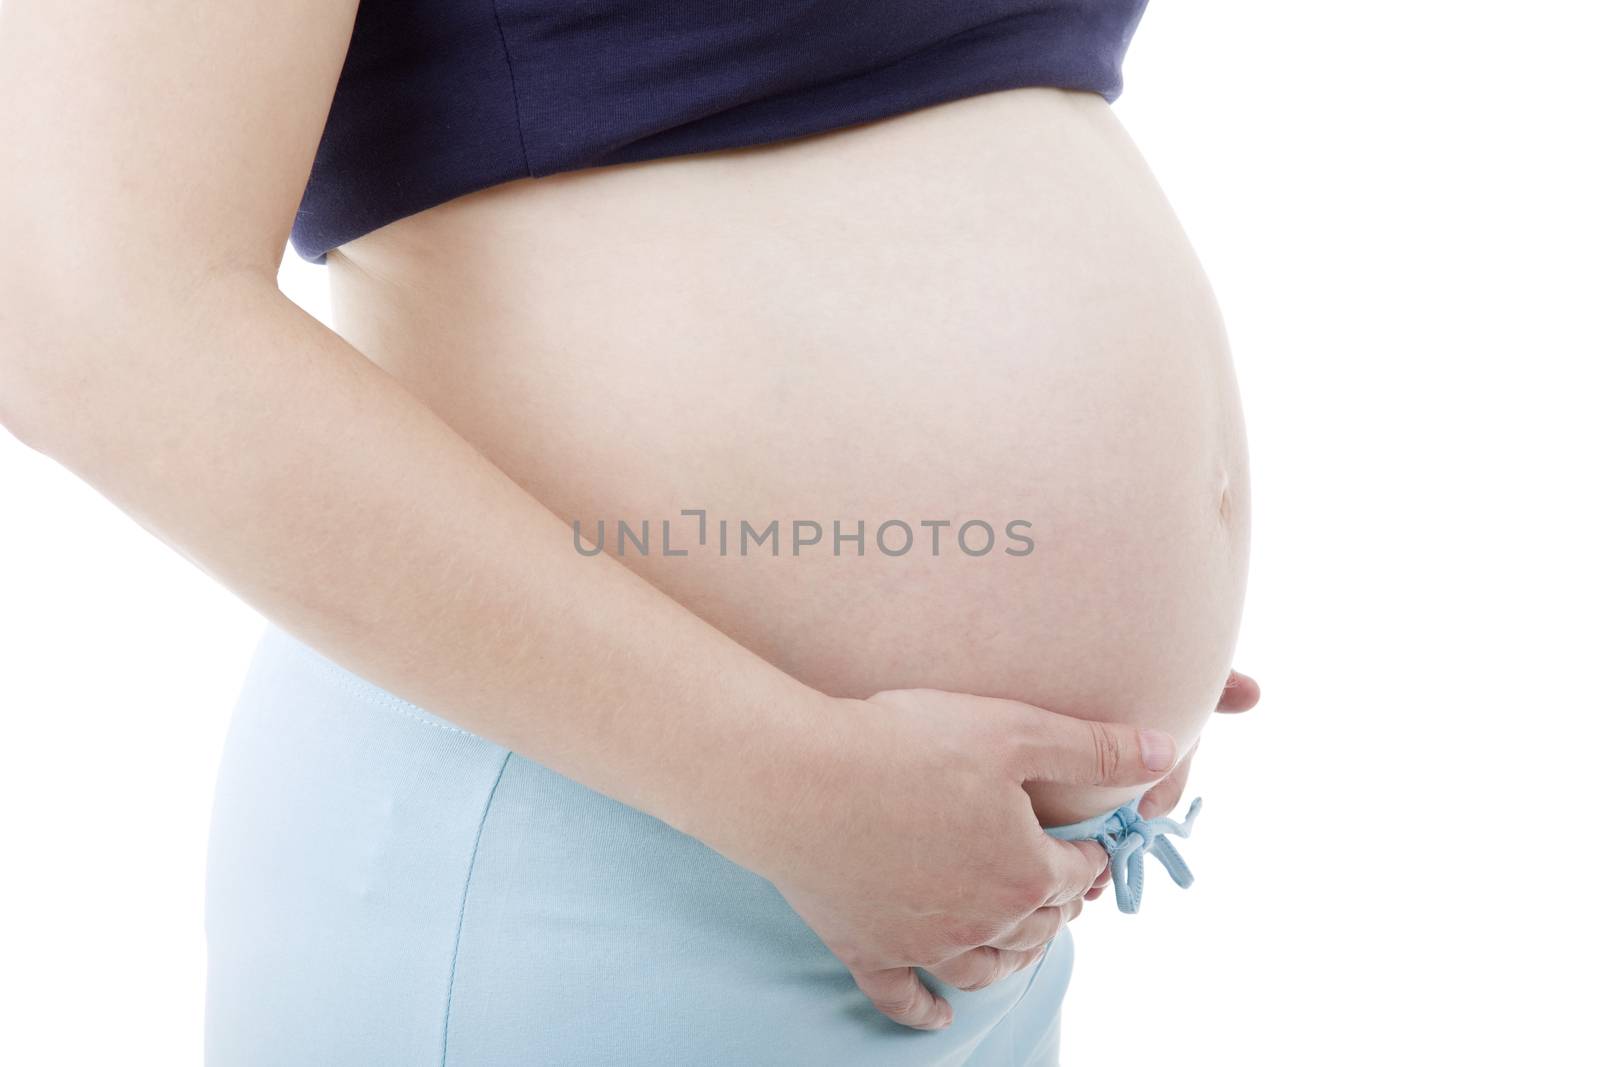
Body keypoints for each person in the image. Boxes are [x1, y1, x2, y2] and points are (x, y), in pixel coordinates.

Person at [0, 2, 1255, 1063]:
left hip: (966, 898)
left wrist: (1118, 656)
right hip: (591, 865)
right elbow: (87, 315)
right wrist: (797, 783)